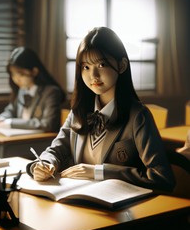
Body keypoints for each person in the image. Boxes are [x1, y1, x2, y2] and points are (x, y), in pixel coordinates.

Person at [26, 27, 175, 192]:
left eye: (102, 64)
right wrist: (45, 164)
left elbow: (162, 178)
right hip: (79, 201)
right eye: (86, 67)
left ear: (122, 65)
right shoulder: (78, 112)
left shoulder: (138, 116)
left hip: (123, 209)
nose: (93, 75)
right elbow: (55, 150)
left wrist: (99, 172)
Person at [0, 47, 65, 132]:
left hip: (41, 141)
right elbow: (10, 110)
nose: (16, 79)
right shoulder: (22, 90)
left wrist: (11, 123)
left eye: (20, 74)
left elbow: (48, 124)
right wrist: (1, 118)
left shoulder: (51, 92)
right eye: (13, 74)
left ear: (34, 71)